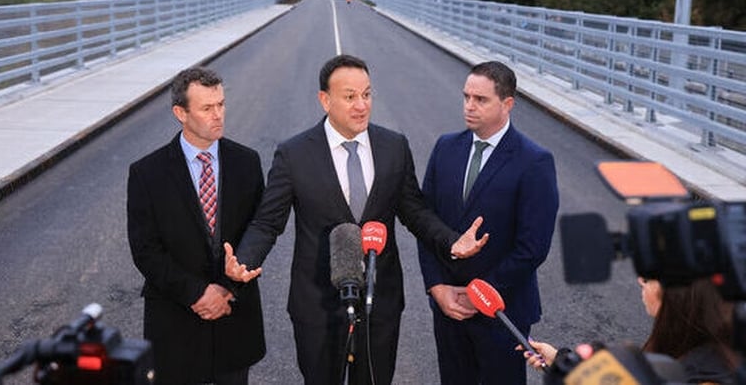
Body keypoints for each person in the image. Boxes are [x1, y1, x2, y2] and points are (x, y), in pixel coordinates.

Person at [223, 54, 489, 385]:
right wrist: (244, 262)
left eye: (366, 94)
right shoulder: (294, 154)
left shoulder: (394, 146)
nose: (361, 105)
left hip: (381, 303)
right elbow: (267, 222)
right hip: (317, 305)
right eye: (350, 97)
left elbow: (414, 210)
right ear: (325, 100)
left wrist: (452, 240)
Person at [416, 60, 559, 385]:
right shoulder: (445, 148)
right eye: (466, 96)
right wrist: (437, 287)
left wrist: (480, 294)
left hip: (502, 312)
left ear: (507, 104)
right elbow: (425, 223)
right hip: (448, 308)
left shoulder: (534, 161)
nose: (469, 106)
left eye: (480, 100)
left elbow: (533, 247)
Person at [127, 67, 266, 385]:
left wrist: (229, 288)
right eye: (206, 108)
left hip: (234, 322)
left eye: (221, 104)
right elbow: (145, 251)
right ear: (180, 113)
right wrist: (198, 293)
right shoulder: (147, 174)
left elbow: (259, 232)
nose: (218, 115)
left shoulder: (248, 163)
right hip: (176, 325)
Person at [523, 277, 737, 384]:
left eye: (651, 277)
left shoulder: (707, 376)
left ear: (681, 295)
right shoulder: (712, 349)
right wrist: (562, 361)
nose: (640, 281)